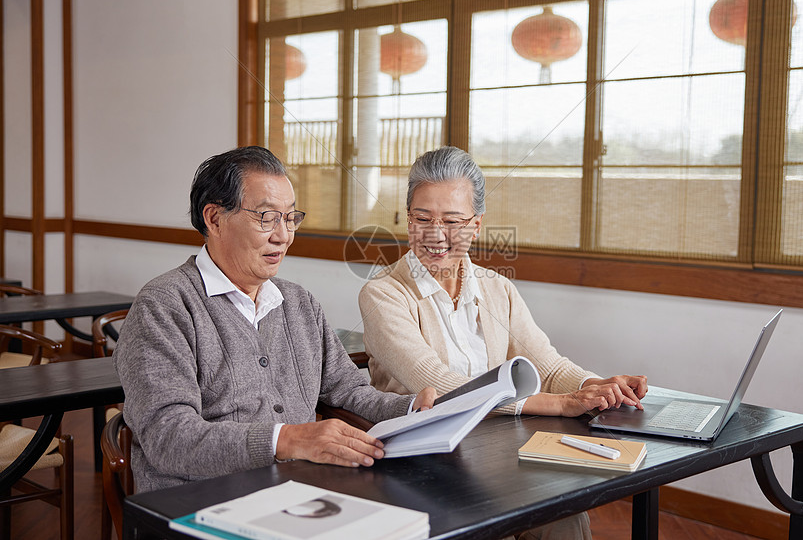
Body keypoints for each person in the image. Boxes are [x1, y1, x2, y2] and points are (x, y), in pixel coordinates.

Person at [358, 146, 649, 540]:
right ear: (408, 220)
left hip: (497, 448)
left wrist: (595, 387)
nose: (435, 235)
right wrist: (559, 404)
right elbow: (446, 389)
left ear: (476, 226)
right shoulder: (383, 294)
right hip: (422, 461)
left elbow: (548, 364)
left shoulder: (498, 288)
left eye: (452, 221)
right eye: (422, 218)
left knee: (565, 517)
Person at [114, 146, 435, 492]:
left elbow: (348, 391)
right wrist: (287, 440)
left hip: (297, 491)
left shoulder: (299, 303)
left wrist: (414, 409)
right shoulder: (164, 306)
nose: (283, 236)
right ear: (214, 218)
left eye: (290, 218)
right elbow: (169, 438)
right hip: (197, 501)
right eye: (266, 217)